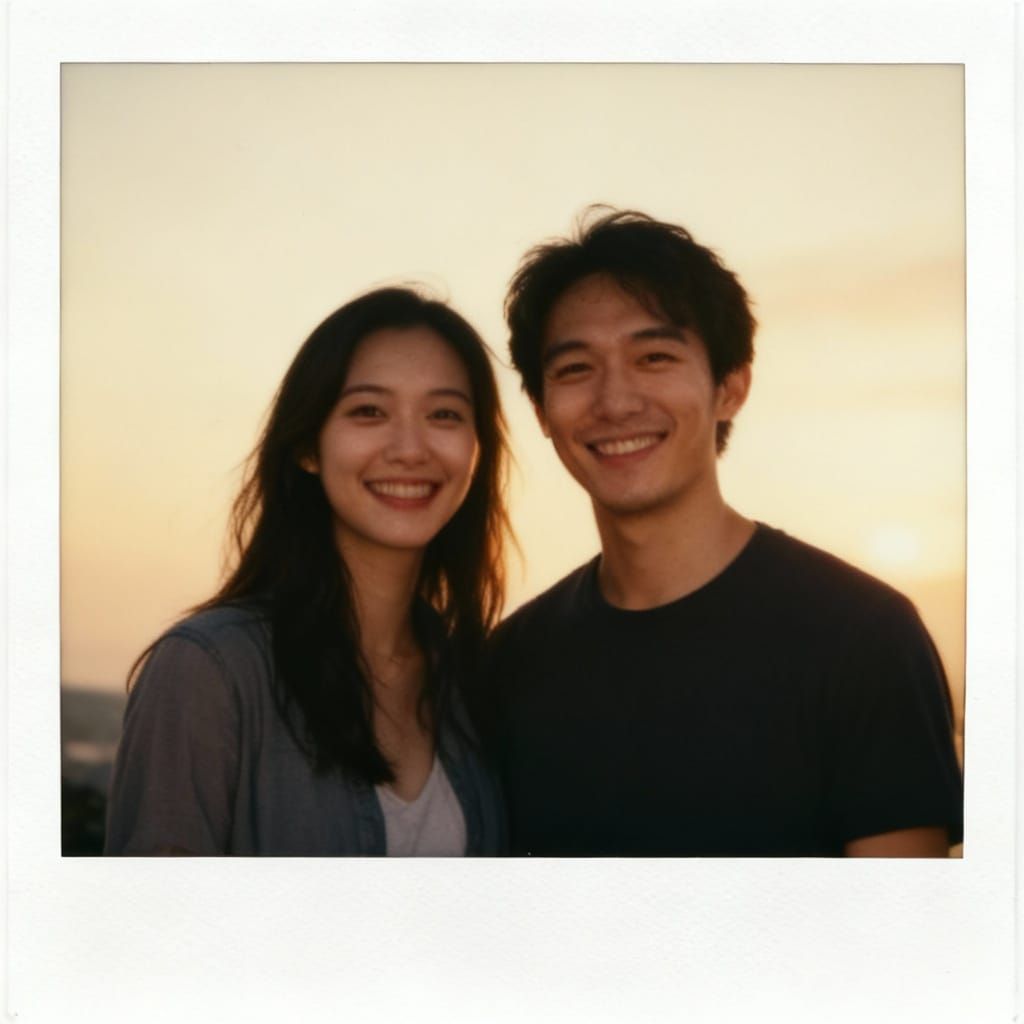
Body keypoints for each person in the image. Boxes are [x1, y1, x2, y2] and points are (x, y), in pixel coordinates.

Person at [482, 208, 964, 857]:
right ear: (541, 411)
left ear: (731, 387)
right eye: (574, 369)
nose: (615, 400)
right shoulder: (510, 664)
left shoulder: (861, 637)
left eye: (654, 356)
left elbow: (903, 941)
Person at [105, 288, 511, 856]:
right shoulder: (209, 672)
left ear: (476, 449)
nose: (410, 448)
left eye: (444, 414)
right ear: (308, 448)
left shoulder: (474, 680)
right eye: (369, 411)